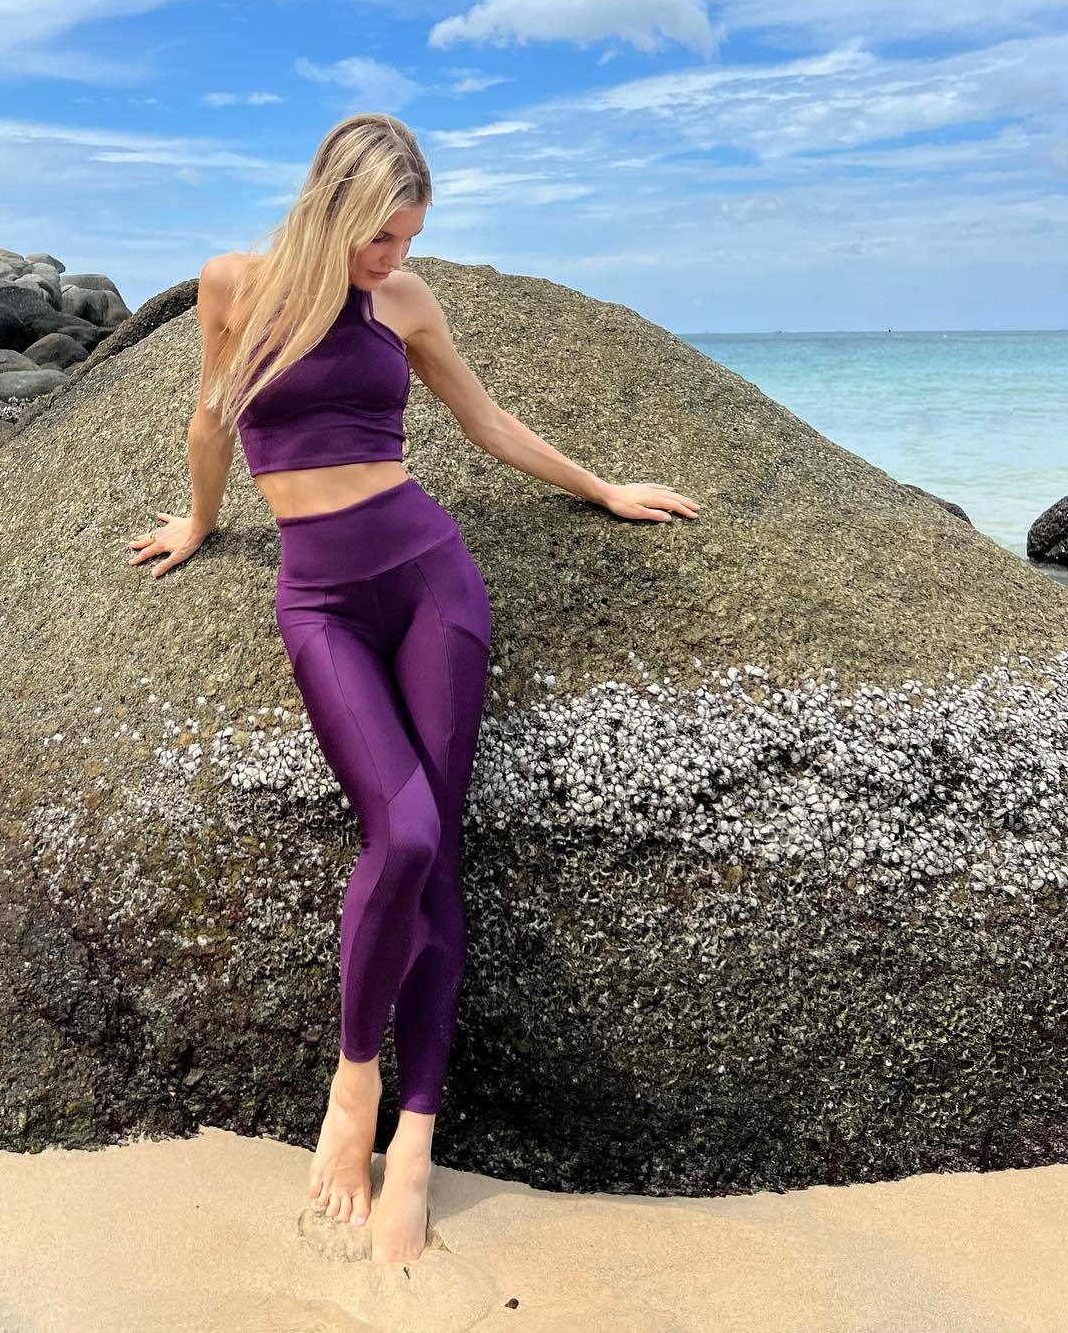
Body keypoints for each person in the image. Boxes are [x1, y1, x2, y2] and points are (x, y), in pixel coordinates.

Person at [126, 113, 699, 1263]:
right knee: (406, 831)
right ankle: (356, 1084)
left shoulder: (404, 302)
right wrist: (200, 520)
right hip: (320, 601)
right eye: (382, 236)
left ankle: (420, 1134)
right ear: (333, 208)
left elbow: (483, 419)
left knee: (439, 852)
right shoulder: (233, 283)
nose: (394, 258)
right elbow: (210, 412)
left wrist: (601, 488)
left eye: (408, 238)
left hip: (432, 579)